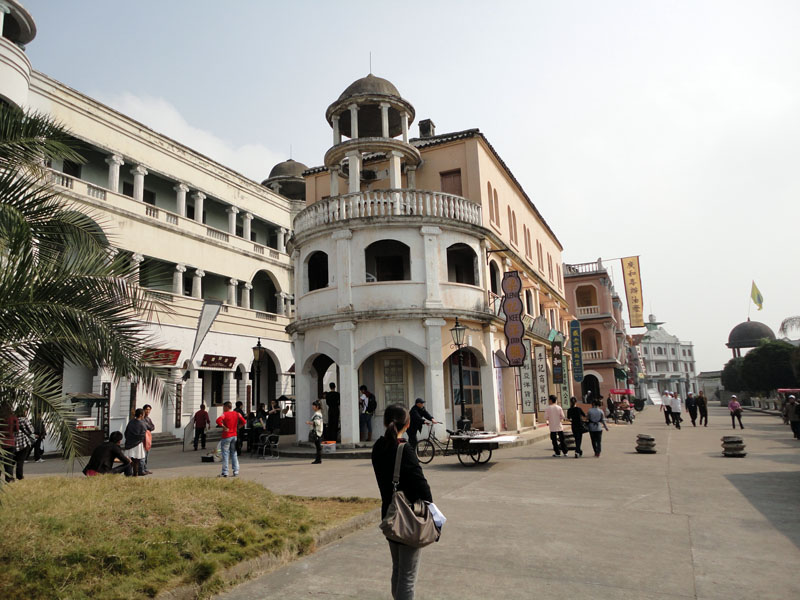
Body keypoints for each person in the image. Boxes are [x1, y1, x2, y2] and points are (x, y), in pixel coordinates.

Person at [372, 403, 433, 600]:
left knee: (398, 569)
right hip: (408, 517)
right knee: (407, 576)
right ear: (407, 424)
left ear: (385, 422)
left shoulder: (378, 447)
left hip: (389, 515)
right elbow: (422, 487)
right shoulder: (404, 450)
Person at [216, 401, 246, 477]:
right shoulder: (236, 414)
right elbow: (244, 421)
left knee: (225, 454)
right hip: (234, 435)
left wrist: (223, 426)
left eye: (223, 407)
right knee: (234, 453)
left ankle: (225, 472)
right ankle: (236, 471)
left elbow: (218, 420)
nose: (223, 408)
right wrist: (240, 426)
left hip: (226, 435)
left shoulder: (225, 414)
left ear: (226, 407)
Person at [124, 409, 148, 476]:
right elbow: (143, 434)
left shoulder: (131, 422)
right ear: (141, 415)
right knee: (136, 460)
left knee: (129, 460)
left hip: (129, 442)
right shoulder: (142, 424)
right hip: (137, 444)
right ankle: (135, 474)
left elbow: (126, 432)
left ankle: (128, 473)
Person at [13, 407, 35, 481]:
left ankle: (9, 476)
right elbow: (31, 430)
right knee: (20, 460)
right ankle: (19, 476)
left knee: (13, 460)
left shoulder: (14, 419)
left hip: (15, 442)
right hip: (23, 442)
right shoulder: (24, 419)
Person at [0, 402, 18, 483]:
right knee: (9, 462)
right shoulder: (13, 417)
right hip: (10, 442)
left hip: (1, 443)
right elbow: (16, 429)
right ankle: (9, 479)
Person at [306, 400, 324, 464]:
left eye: (314, 406)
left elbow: (317, 423)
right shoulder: (318, 413)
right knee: (318, 447)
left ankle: (318, 459)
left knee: (318, 447)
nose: (313, 407)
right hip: (318, 432)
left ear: (317, 406)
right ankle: (318, 459)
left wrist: (309, 423)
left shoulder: (317, 414)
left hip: (317, 432)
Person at [141, 404, 155, 474]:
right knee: (143, 455)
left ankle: (145, 468)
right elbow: (147, 427)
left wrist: (149, 427)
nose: (148, 411)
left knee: (146, 455)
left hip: (148, 438)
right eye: (147, 409)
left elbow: (152, 427)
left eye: (149, 410)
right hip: (143, 439)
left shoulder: (148, 419)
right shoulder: (142, 419)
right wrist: (149, 427)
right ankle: (142, 469)